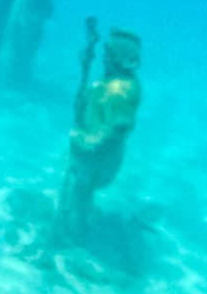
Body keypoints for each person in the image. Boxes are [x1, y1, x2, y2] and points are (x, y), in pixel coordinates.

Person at [53, 22, 142, 242]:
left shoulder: (119, 91)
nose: (104, 58)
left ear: (119, 57)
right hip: (94, 153)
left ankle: (74, 236)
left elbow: (116, 132)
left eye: (108, 53)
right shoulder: (115, 83)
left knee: (81, 193)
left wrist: (83, 141)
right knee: (79, 192)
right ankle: (74, 226)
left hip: (96, 158)